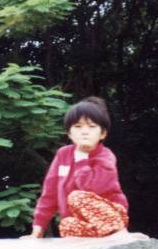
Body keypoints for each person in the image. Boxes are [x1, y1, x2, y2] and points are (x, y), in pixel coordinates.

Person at [22, 96, 129, 239]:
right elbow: (50, 194)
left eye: (92, 127)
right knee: (66, 224)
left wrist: (82, 158)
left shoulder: (105, 156)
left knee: (76, 197)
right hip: (86, 224)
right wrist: (37, 231)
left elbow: (93, 189)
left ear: (102, 133)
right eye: (78, 127)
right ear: (69, 133)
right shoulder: (63, 154)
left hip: (111, 217)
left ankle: (118, 233)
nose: (84, 132)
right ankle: (100, 241)